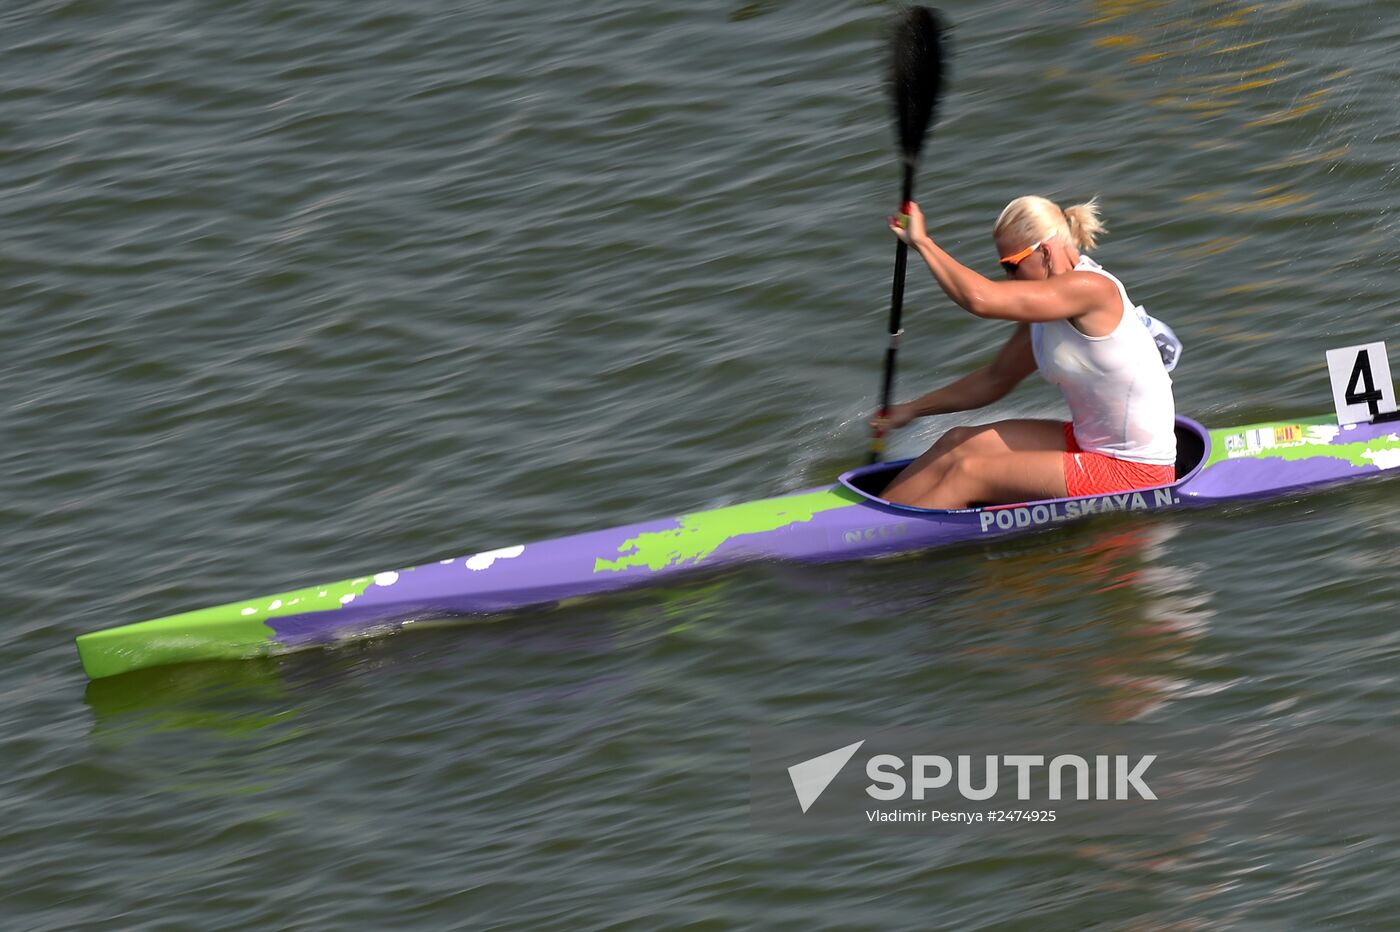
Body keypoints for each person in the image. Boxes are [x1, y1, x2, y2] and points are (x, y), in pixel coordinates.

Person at [871, 195, 1177, 509]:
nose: (1008, 279)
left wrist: (923, 242)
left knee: (969, 473)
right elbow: (995, 379)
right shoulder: (1048, 311)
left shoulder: (1091, 289)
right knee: (958, 443)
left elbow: (981, 299)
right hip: (1087, 443)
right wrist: (911, 409)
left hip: (1136, 472)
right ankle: (873, 514)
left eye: (1011, 266)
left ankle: (875, 540)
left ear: (1045, 251)